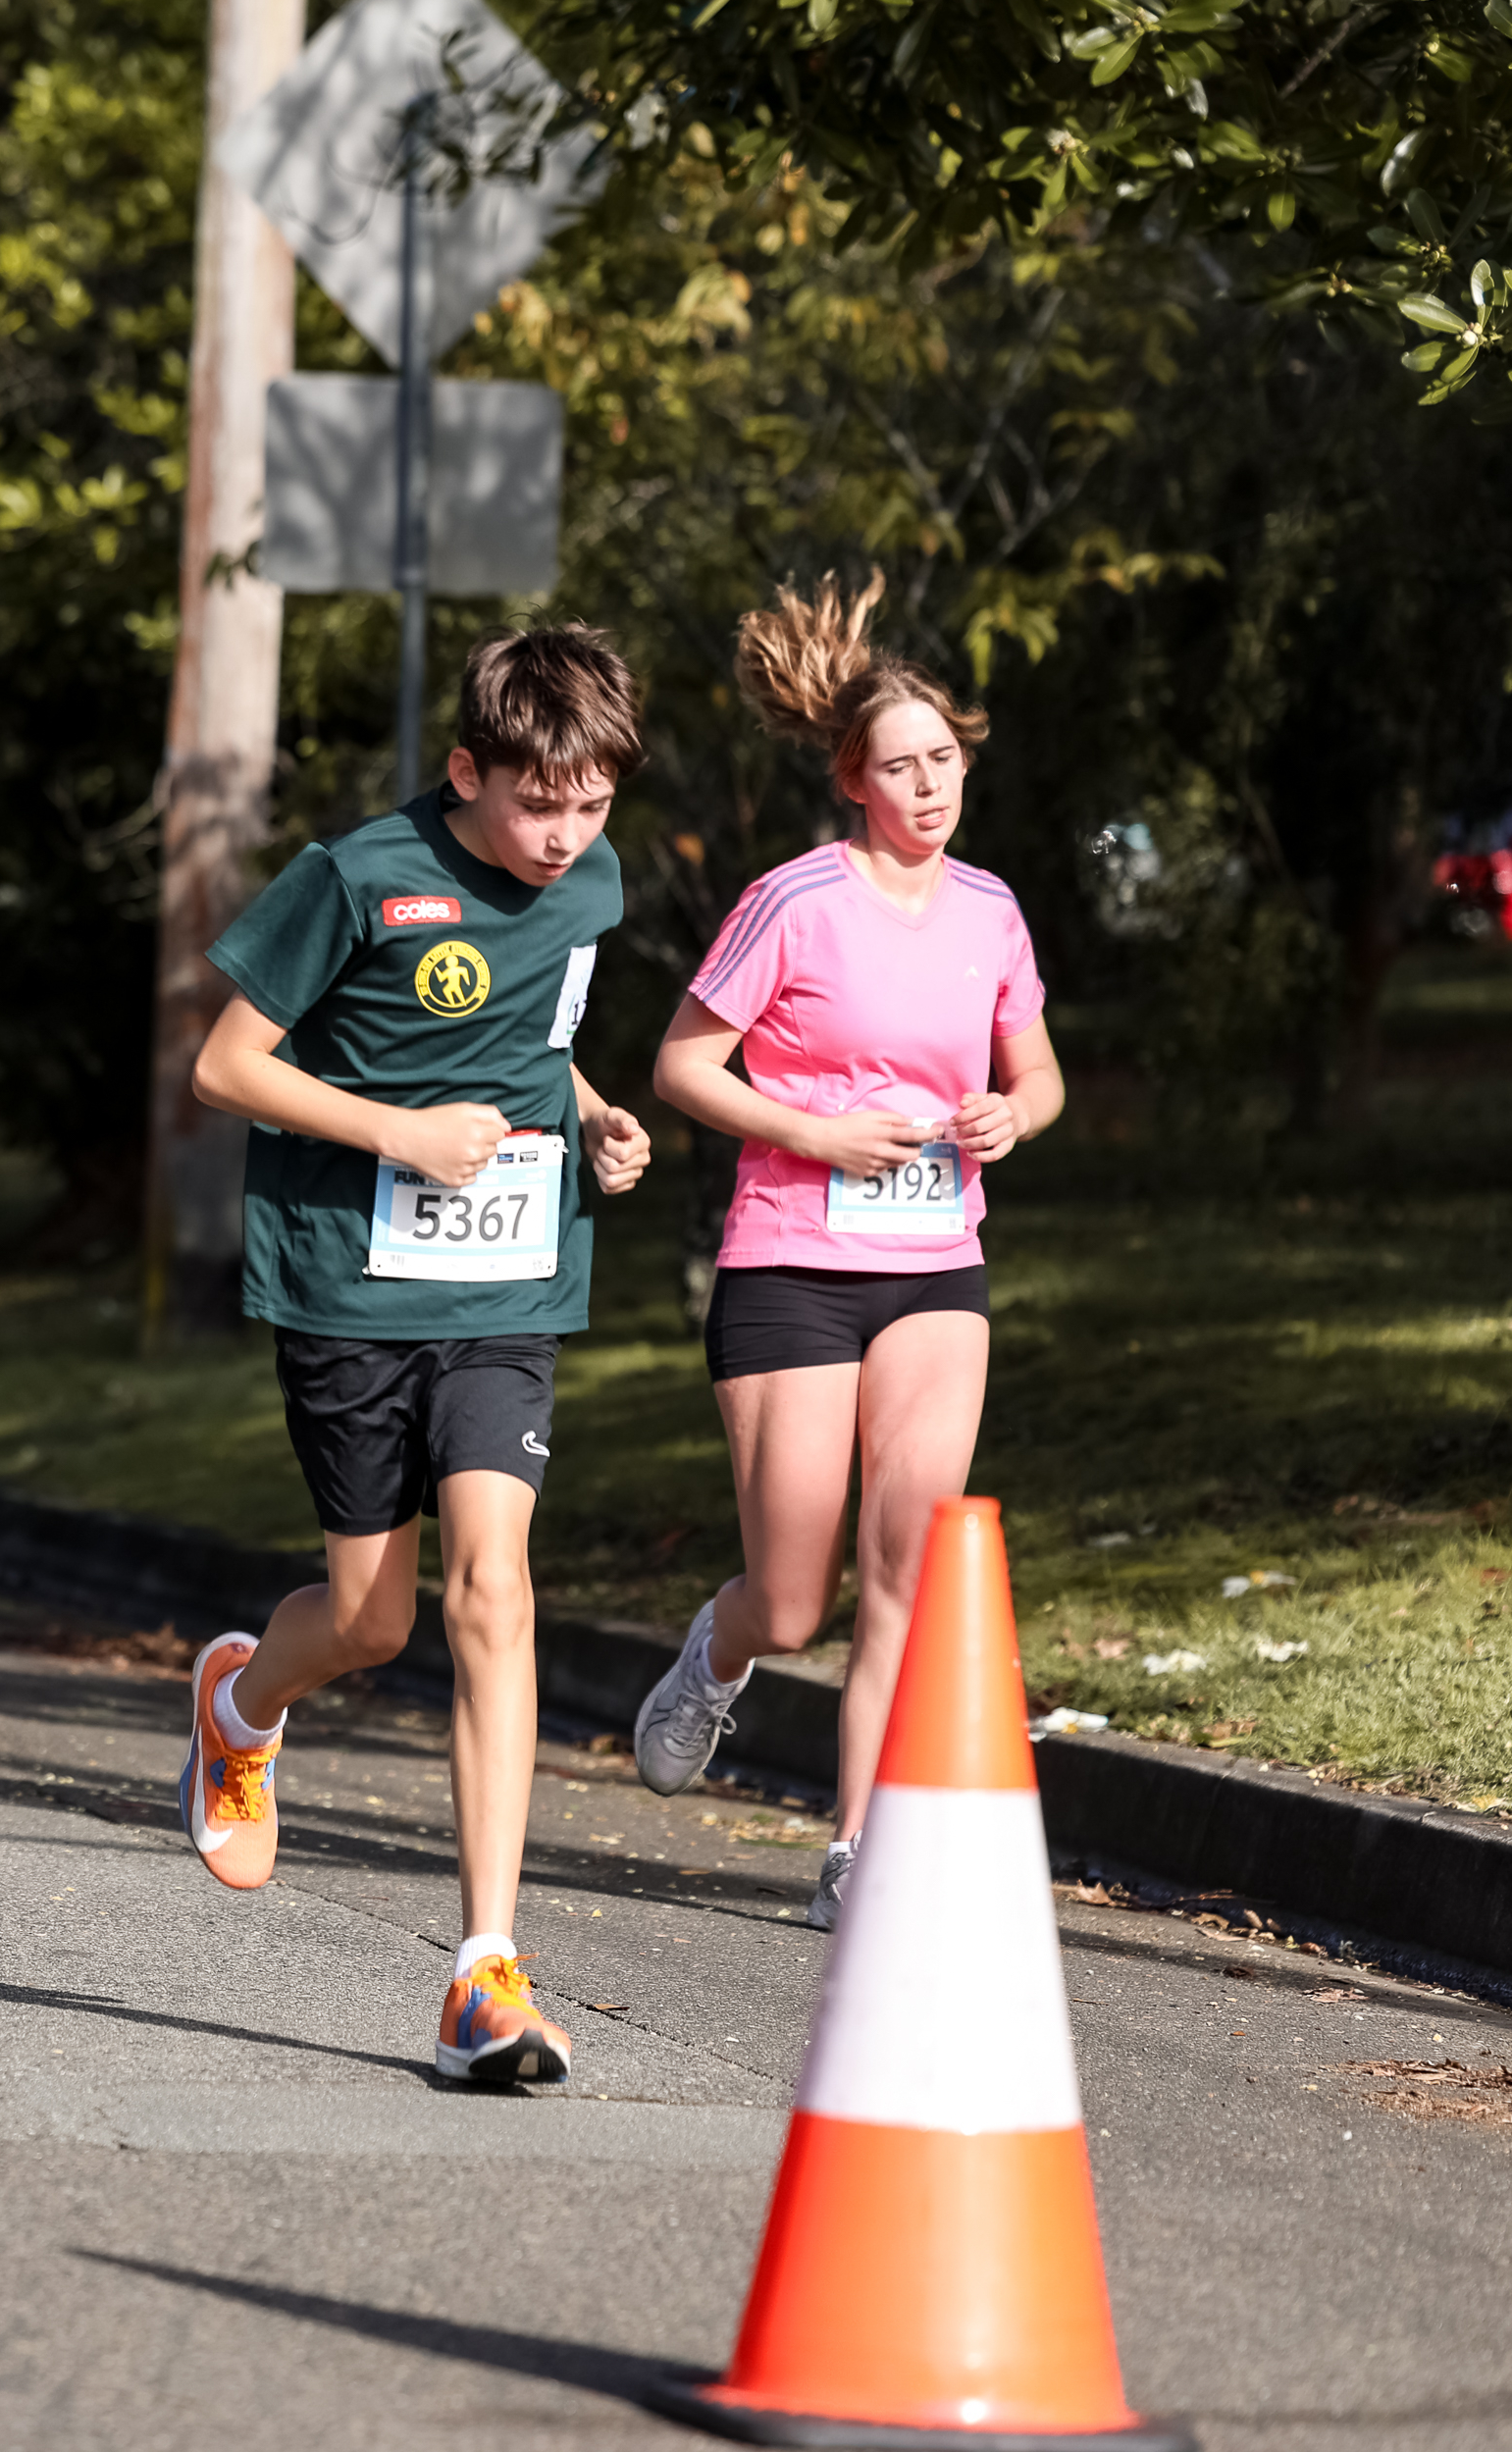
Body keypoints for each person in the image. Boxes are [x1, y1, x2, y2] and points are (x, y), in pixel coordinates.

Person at [174, 625, 655, 2088]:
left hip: (509, 1283)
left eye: (592, 805)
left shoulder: (593, 884)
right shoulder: (356, 877)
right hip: (349, 1283)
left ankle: (483, 1970)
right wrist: (402, 1133)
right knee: (372, 1622)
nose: (566, 836)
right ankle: (240, 1707)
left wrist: (592, 1114)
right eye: (538, 804)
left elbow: (537, 1038)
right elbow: (224, 1066)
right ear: (466, 770)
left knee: (495, 1588)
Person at [628, 577, 1068, 1929]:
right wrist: (818, 1135)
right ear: (853, 782)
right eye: (900, 767)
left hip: (936, 1264)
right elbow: (682, 1066)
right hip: (790, 1266)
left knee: (907, 1571)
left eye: (943, 760)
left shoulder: (991, 909)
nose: (928, 787)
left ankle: (856, 1851)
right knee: (794, 1598)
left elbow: (1040, 1074)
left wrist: (1012, 1115)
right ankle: (719, 1655)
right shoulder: (796, 902)